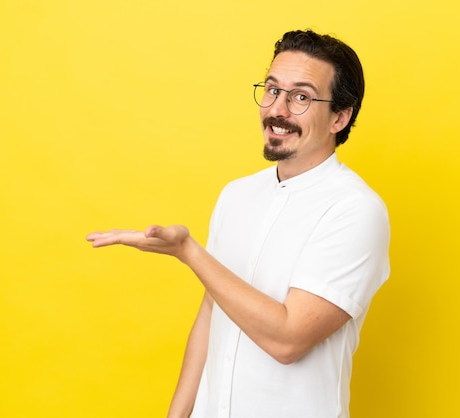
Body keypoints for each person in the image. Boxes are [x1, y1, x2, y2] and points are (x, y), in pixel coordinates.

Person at [87, 29, 390, 418]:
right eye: (272, 90)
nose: (276, 110)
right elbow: (212, 313)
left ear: (340, 117)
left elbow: (288, 340)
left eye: (300, 97)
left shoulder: (355, 210)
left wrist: (189, 252)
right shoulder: (236, 195)